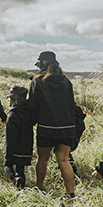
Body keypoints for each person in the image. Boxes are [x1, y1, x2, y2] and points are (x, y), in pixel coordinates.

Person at [27, 51, 77, 195]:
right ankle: (71, 193)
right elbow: (71, 105)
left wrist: (29, 122)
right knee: (64, 160)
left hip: (47, 127)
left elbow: (33, 105)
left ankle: (39, 188)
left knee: (42, 159)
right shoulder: (66, 81)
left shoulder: (37, 81)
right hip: (67, 127)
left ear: (42, 64)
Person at [2, 85, 34, 189]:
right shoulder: (29, 112)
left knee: (7, 166)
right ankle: (21, 186)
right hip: (26, 148)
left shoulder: (12, 115)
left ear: (16, 100)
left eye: (10, 98)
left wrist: (7, 154)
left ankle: (14, 179)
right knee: (21, 169)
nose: (8, 99)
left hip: (14, 148)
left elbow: (10, 137)